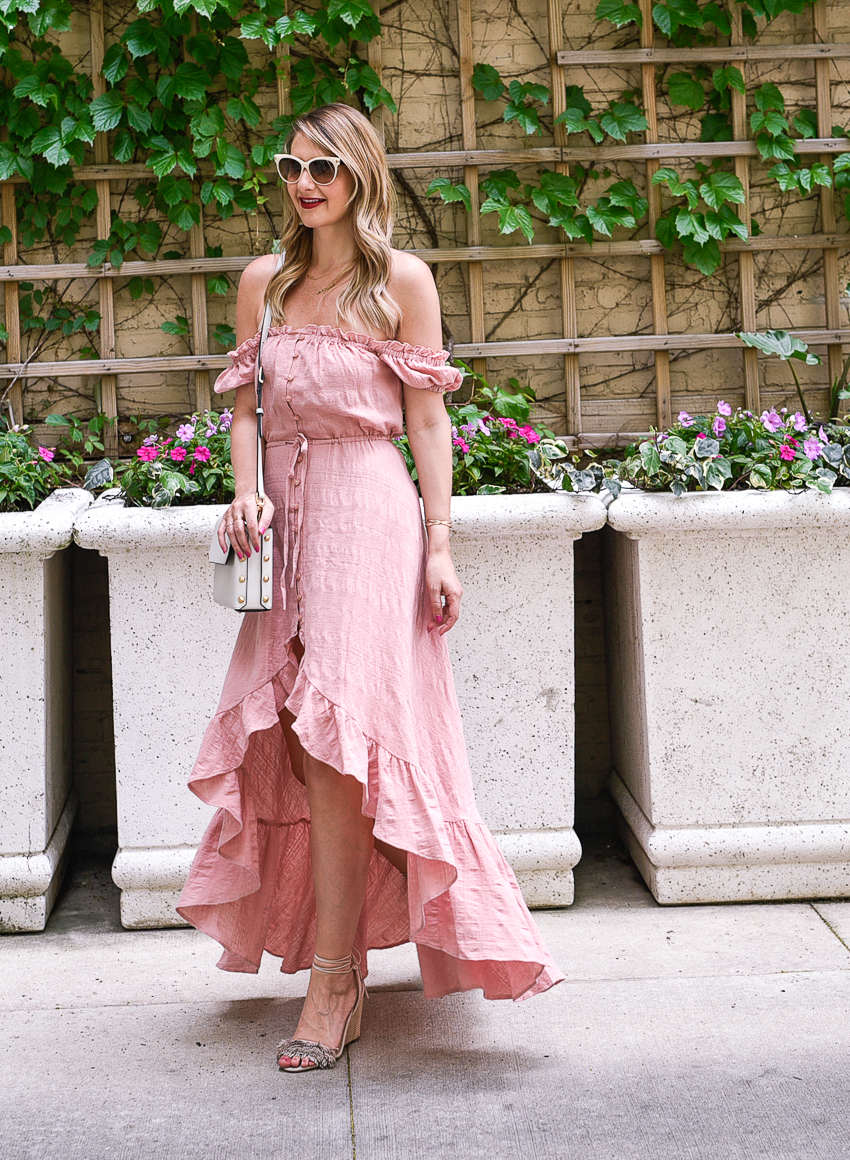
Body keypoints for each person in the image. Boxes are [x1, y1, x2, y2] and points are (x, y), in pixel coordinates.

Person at [176, 102, 563, 1072]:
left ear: (361, 176)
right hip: (287, 530)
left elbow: (427, 422)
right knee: (306, 744)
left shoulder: (401, 283)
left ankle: (334, 977)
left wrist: (440, 541)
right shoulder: (263, 283)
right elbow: (243, 409)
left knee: (342, 740)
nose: (305, 185)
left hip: (370, 515)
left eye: (325, 169)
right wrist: (245, 494)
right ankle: (333, 962)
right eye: (291, 168)